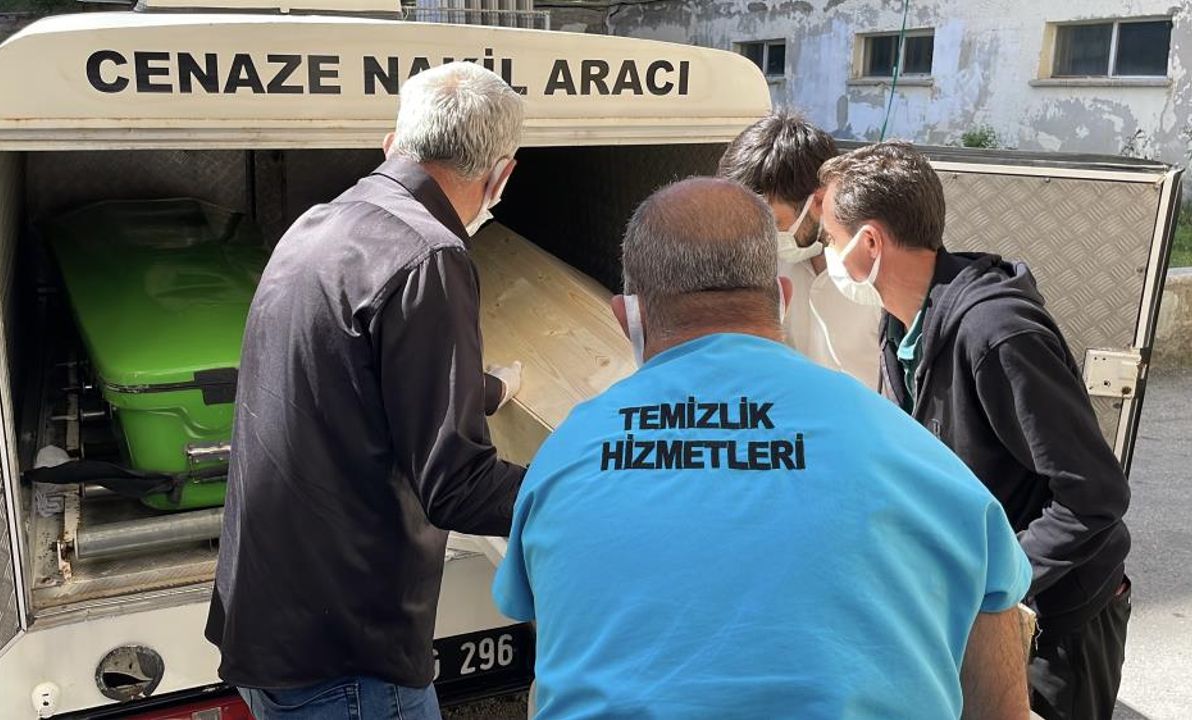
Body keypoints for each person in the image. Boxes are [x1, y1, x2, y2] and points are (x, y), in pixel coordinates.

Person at [492, 177, 1033, 719]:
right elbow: (1001, 694)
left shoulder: (565, 457)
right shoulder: (918, 459)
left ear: (627, 317)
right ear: (782, 297)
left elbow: (553, 627)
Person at [206, 62, 527, 719]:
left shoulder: (322, 224)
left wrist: (485, 389)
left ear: (391, 143)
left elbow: (356, 376)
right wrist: (592, 485)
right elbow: (456, 486)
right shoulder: (431, 257)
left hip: (275, 626)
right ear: (501, 175)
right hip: (348, 662)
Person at [816, 141, 1132, 720]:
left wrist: (997, 581)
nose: (826, 255)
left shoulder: (997, 333)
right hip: (987, 608)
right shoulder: (902, 324)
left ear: (870, 243)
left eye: (831, 239)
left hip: (1061, 618)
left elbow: (1094, 495)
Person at [717, 112, 881, 388]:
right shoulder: (762, 271)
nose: (760, 239)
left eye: (771, 223)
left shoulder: (877, 274)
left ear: (819, 201)